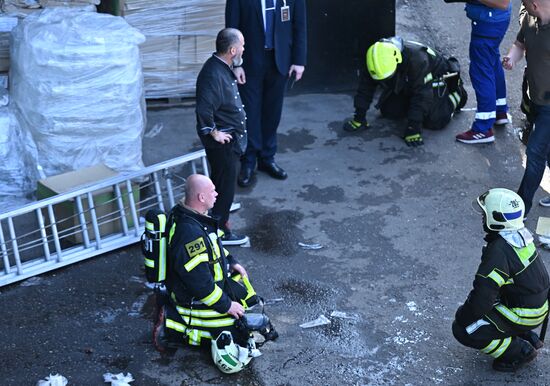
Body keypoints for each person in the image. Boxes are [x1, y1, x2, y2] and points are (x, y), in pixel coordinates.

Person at [452, 188, 550, 372]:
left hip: (524, 313)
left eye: (485, 214)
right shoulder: (520, 235)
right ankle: (524, 334)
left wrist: (463, 316)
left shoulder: (498, 251)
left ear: (495, 219)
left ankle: (518, 351)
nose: (482, 217)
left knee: (464, 329)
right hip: (538, 306)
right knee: (490, 308)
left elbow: (482, 298)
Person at [225, 0, 307, 187]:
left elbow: (300, 26)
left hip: (280, 61)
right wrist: (235, 64)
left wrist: (299, 60)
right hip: (250, 62)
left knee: (272, 112)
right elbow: (231, 30)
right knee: (250, 113)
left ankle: (267, 158)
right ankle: (248, 160)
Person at [342, 36, 467, 147]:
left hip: (434, 79)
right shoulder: (375, 60)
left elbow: (422, 95)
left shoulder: (418, 60)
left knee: (436, 121)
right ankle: (414, 109)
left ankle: (456, 95)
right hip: (408, 79)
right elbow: (365, 88)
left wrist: (414, 128)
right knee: (390, 112)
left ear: (397, 60)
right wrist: (359, 117)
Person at [195, 28, 249, 245]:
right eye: (242, 45)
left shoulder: (223, 66)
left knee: (222, 184)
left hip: (232, 140)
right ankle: (219, 231)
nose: (244, 48)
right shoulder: (212, 75)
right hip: (224, 144)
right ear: (233, 50)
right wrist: (213, 132)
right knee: (224, 186)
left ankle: (219, 219)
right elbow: (203, 108)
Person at [504, 0, 550, 212]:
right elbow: (520, 44)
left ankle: (521, 207)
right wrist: (512, 59)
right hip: (535, 98)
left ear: (534, 4)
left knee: (535, 152)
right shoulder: (529, 17)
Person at [446, 0, 511, 144]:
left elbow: (502, 2)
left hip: (488, 22)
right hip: (493, 20)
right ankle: (499, 111)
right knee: (492, 61)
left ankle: (482, 129)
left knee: (481, 71)